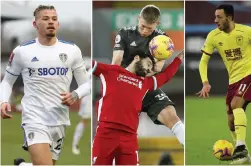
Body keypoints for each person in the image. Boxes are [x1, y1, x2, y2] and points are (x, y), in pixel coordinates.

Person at [0, 5, 90, 165]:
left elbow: (86, 85)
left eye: (54, 19)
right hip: (34, 119)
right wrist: (3, 101)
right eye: (45, 18)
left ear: (58, 24)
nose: (51, 22)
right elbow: (7, 81)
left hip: (60, 120)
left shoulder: (71, 51)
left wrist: (75, 94)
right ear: (35, 24)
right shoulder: (22, 51)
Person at [197, 4, 251, 164]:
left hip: (250, 75)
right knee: (231, 120)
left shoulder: (246, 31)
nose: (215, 20)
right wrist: (205, 82)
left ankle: (239, 146)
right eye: (215, 17)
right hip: (233, 80)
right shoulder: (213, 36)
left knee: (235, 104)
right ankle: (244, 155)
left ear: (230, 17)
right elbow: (203, 62)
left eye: (219, 17)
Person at [92, 49, 184, 165]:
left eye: (151, 69)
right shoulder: (111, 71)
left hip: (129, 137)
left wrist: (178, 59)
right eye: (148, 64)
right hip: (106, 133)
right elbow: (86, 64)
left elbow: (166, 76)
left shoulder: (145, 83)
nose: (148, 70)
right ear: (137, 58)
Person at [112, 4, 184, 146]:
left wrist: (146, 72)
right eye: (142, 26)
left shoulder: (163, 40)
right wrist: (128, 77)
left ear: (157, 24)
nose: (145, 31)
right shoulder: (125, 33)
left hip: (145, 86)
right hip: (122, 86)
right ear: (139, 18)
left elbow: (156, 69)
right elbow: (115, 63)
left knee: (171, 115)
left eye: (149, 28)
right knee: (118, 132)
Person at [72, 68, 92, 155]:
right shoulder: (90, 71)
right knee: (84, 121)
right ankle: (75, 144)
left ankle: (92, 141)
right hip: (88, 99)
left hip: (98, 99)